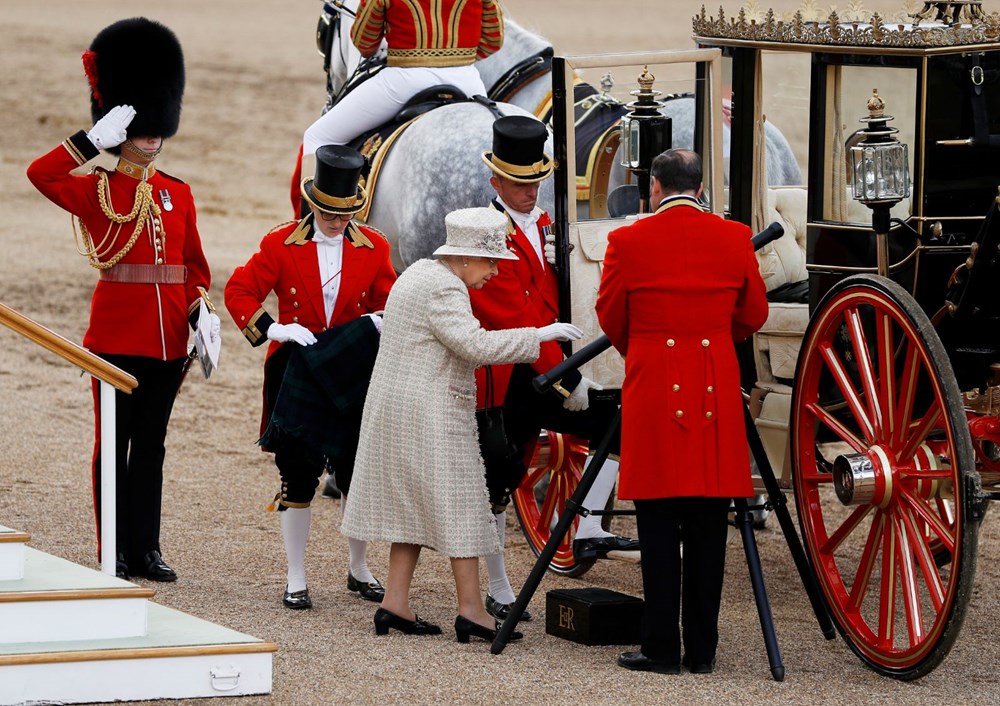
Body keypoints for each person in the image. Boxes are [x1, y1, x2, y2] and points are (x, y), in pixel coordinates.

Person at [26, 18, 217, 582]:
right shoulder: (97, 186)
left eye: (158, 126)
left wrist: (200, 310)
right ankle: (116, 551)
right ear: (122, 126)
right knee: (113, 445)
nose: (152, 137)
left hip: (166, 344)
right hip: (113, 341)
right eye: (142, 127)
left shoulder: (177, 193)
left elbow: (194, 268)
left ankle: (148, 548)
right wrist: (91, 143)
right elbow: (40, 173)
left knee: (151, 449)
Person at [342, 207, 582, 641]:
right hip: (431, 410)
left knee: (410, 511)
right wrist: (540, 336)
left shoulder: (417, 273)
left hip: (398, 407)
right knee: (466, 507)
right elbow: (473, 346)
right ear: (466, 257)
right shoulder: (446, 289)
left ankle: (394, 603)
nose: (494, 272)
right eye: (491, 262)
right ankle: (472, 611)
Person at [595, 148, 769, 674]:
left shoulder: (625, 241)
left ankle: (660, 649)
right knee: (709, 522)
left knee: (657, 519)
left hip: (653, 379)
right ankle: (702, 651)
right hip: (714, 378)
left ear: (653, 185)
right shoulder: (735, 236)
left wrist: (645, 348)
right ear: (698, 187)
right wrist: (715, 338)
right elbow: (754, 314)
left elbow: (611, 316)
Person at [469, 115, 638, 622]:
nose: (529, 191)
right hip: (509, 373)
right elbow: (513, 316)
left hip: (554, 363)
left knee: (616, 426)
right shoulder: (485, 233)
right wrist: (570, 378)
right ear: (495, 181)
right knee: (500, 480)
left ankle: (587, 522)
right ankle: (498, 585)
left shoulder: (547, 225)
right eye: (519, 183)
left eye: (535, 181)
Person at [224, 144, 397, 610]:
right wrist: (273, 328)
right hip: (298, 367)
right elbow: (239, 291)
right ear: (313, 202)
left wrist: (379, 319)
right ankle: (296, 575)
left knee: (356, 472)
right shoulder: (279, 244)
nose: (338, 222)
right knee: (297, 476)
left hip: (349, 371)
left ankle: (359, 568)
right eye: (329, 213)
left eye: (346, 214)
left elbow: (390, 299)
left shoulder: (375, 247)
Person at [301, 0, 503, 158]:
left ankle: (312, 212)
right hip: (467, 81)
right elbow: (494, 40)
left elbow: (365, 44)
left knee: (317, 137)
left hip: (404, 81)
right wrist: (457, 59)